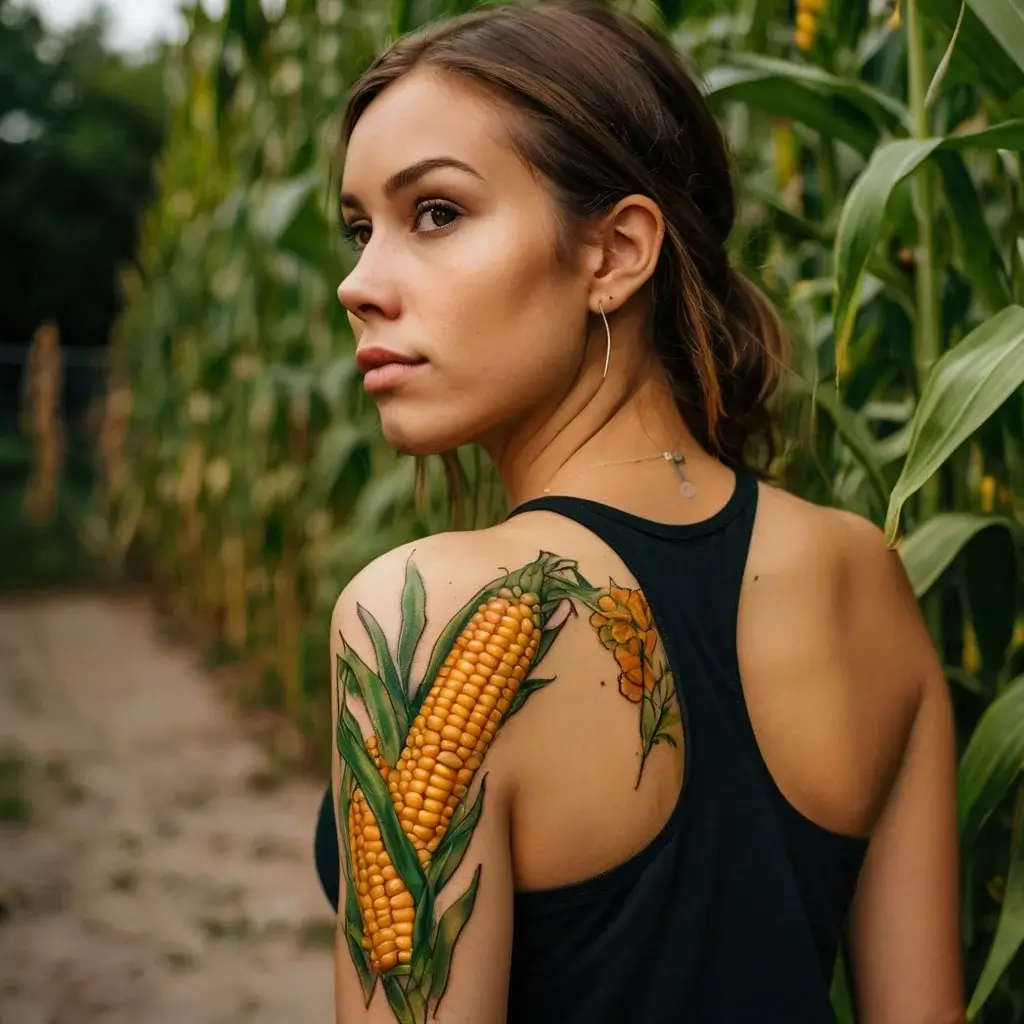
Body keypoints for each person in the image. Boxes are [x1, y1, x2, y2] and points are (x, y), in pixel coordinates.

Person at [315, 2, 964, 1021]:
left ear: (615, 253)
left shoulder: (425, 611)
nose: (359, 283)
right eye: (360, 230)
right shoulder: (866, 575)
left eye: (434, 213)